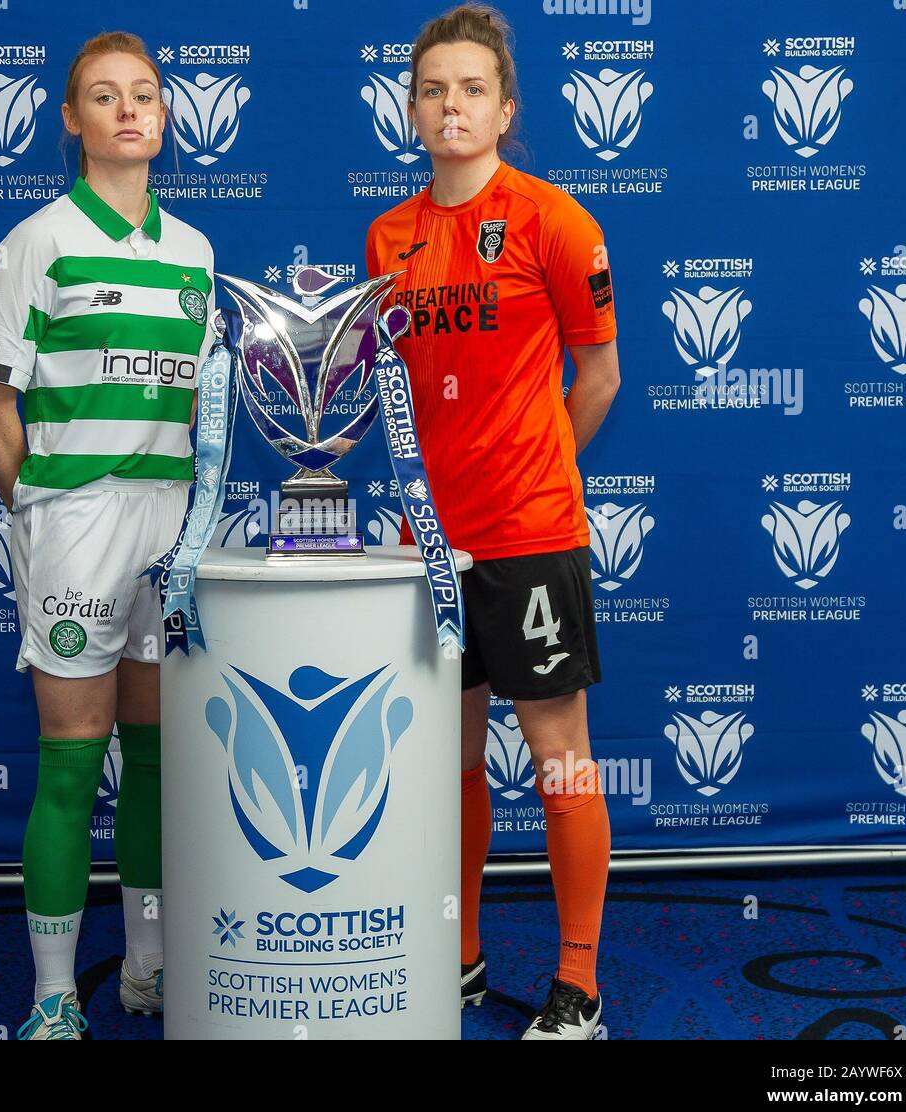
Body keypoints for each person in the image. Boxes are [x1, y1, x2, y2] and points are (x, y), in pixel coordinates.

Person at [365, 4, 620, 1039]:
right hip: (432, 545)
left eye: (471, 88)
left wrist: (535, 462)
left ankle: (578, 983)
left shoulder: (554, 219)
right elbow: (394, 393)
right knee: (452, 758)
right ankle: (459, 955)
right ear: (411, 109)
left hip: (529, 535)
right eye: (433, 89)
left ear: (504, 108)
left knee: (558, 754)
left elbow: (598, 374)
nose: (451, 105)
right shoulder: (388, 234)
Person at [0, 32, 214, 1039]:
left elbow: (209, 404)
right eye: (103, 97)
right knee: (74, 754)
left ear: (163, 116)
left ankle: (147, 964)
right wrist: (43, 508)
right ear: (71, 121)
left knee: (154, 755)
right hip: (77, 518)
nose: (127, 111)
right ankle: (54, 992)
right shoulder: (37, 241)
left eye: (144, 95)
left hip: (170, 517)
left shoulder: (195, 251)